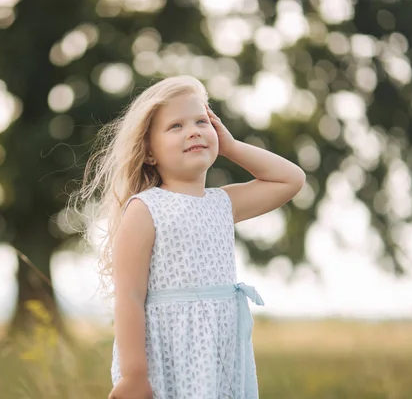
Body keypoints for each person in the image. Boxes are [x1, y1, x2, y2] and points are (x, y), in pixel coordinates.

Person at [71, 75, 305, 399]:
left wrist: (233, 147)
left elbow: (291, 180)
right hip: (169, 354)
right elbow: (130, 297)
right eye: (176, 126)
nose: (193, 130)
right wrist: (134, 375)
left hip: (220, 354)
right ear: (149, 153)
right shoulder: (146, 209)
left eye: (201, 121)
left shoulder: (222, 203)